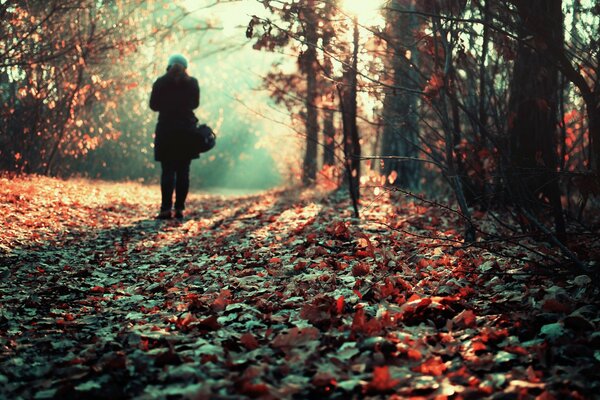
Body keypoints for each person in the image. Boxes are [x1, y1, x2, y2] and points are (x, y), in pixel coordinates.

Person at [150, 54, 200, 219]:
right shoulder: (192, 83)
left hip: (166, 130)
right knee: (183, 171)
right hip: (186, 131)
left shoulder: (160, 82)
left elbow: (153, 106)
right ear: (185, 67)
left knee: (168, 171)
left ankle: (165, 209)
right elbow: (195, 104)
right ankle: (179, 208)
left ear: (169, 66)